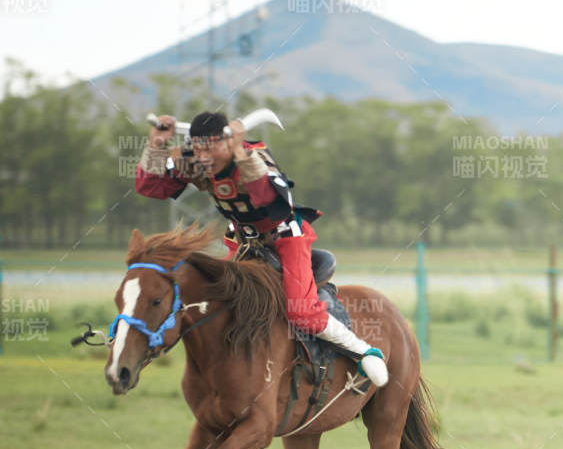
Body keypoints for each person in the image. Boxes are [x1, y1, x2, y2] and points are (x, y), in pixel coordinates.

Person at [135, 111, 387, 385]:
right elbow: (150, 187)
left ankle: (364, 352)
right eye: (198, 148)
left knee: (300, 310)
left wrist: (241, 156)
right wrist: (156, 145)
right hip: (241, 241)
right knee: (219, 299)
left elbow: (271, 201)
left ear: (229, 143)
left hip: (285, 237)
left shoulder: (253, 156)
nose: (204, 157)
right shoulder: (195, 162)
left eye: (210, 149)